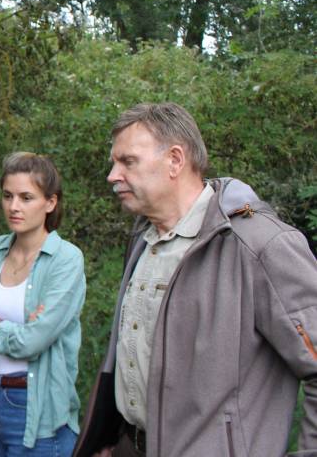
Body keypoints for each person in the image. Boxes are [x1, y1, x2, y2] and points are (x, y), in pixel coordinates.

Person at [73, 102, 317, 457]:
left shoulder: (259, 245)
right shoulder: (143, 240)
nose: (112, 175)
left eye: (127, 161)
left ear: (175, 160)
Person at [0, 152, 86, 456]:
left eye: (27, 197)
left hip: (37, 409)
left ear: (50, 203)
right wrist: (9, 333)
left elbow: (33, 340)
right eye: (8, 196)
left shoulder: (66, 259)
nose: (14, 207)